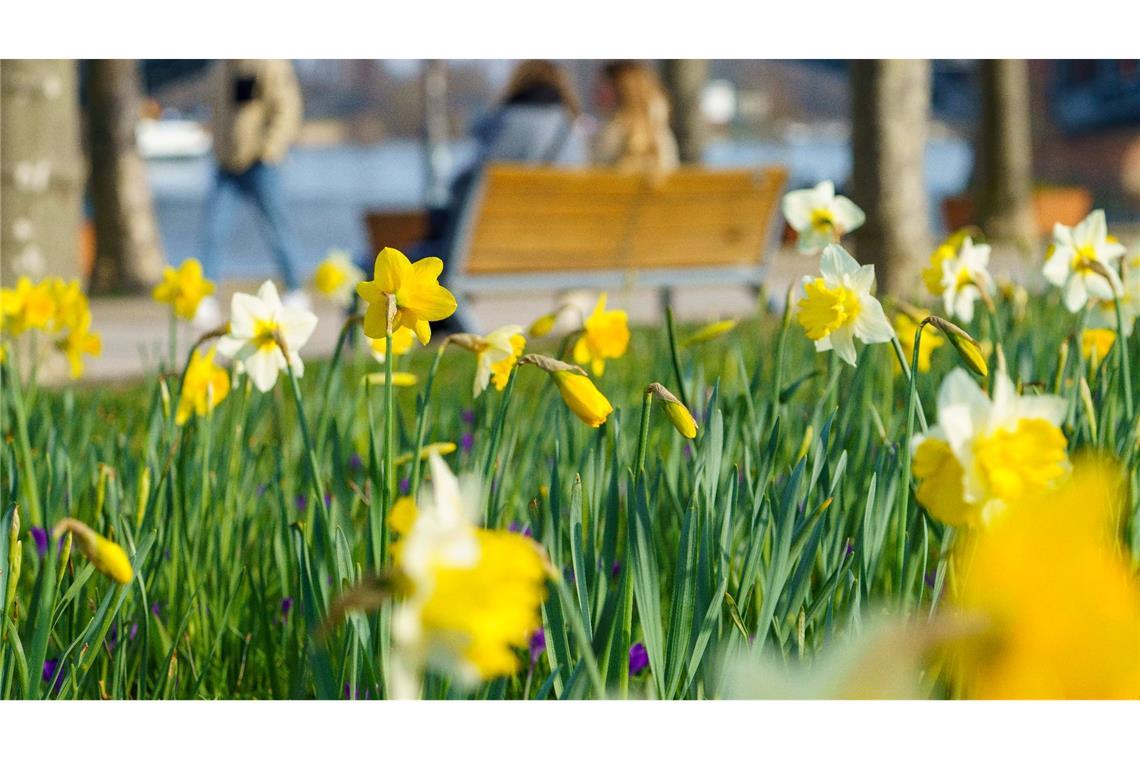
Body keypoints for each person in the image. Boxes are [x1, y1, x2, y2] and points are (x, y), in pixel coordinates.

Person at [194, 59, 306, 327]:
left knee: (278, 229)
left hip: (261, 164)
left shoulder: (269, 63)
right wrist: (218, 149)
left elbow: (287, 108)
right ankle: (206, 298)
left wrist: (270, 150)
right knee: (213, 230)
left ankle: (295, 290)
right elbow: (218, 112)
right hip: (226, 166)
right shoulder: (220, 67)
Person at [593, 61, 680, 175]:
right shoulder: (660, 131)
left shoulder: (615, 132)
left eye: (603, 86)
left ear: (622, 89)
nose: (596, 91)